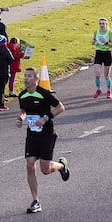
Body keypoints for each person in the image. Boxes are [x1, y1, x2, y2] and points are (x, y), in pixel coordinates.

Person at [15, 67, 70, 213]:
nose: (26, 79)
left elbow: (60, 107)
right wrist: (21, 118)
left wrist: (45, 118)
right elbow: (23, 111)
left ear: (36, 79)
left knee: (45, 170)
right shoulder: (22, 95)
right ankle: (35, 201)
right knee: (29, 164)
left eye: (29, 76)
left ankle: (61, 166)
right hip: (32, 135)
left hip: (46, 135)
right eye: (25, 76)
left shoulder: (44, 94)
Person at [91, 18, 112, 99]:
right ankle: (98, 89)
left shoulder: (109, 33)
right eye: (100, 23)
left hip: (107, 53)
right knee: (97, 74)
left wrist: (106, 42)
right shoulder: (96, 32)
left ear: (106, 24)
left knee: (106, 75)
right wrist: (95, 42)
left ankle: (109, 91)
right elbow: (92, 42)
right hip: (98, 53)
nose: (102, 25)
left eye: (103, 23)